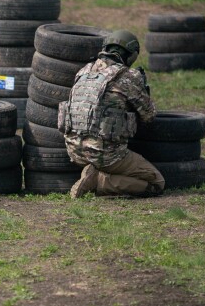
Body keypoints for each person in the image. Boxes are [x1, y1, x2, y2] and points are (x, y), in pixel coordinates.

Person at [58, 29, 164, 198]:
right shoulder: (128, 76)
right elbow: (149, 116)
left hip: (74, 151)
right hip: (106, 155)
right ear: (131, 55)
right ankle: (99, 181)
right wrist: (143, 89)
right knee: (156, 183)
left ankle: (92, 172)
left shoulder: (83, 71)